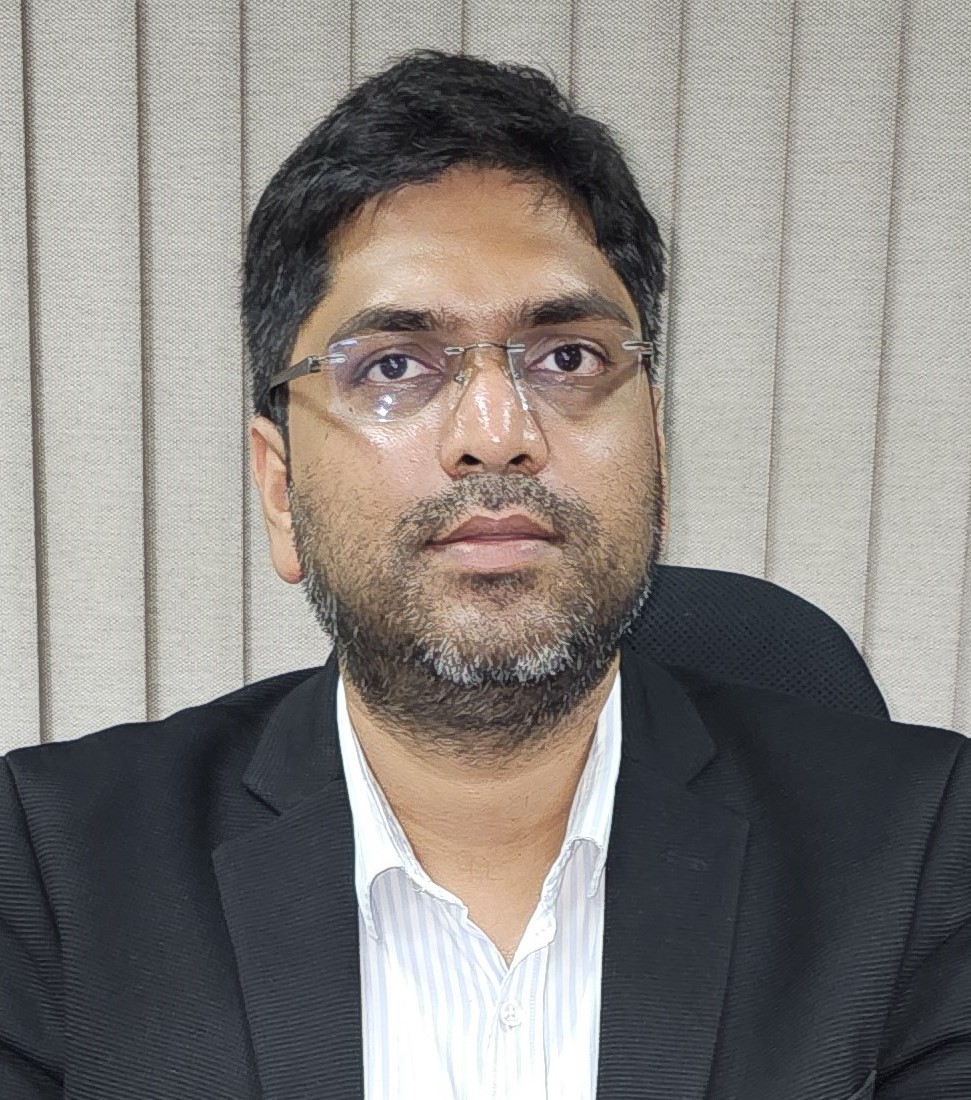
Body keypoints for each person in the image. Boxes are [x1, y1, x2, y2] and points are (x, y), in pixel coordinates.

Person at [1, 48, 969, 1100]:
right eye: (393, 366)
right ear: (280, 488)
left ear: (655, 449)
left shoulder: (923, 848)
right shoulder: (49, 873)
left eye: (566, 357)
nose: (495, 433)